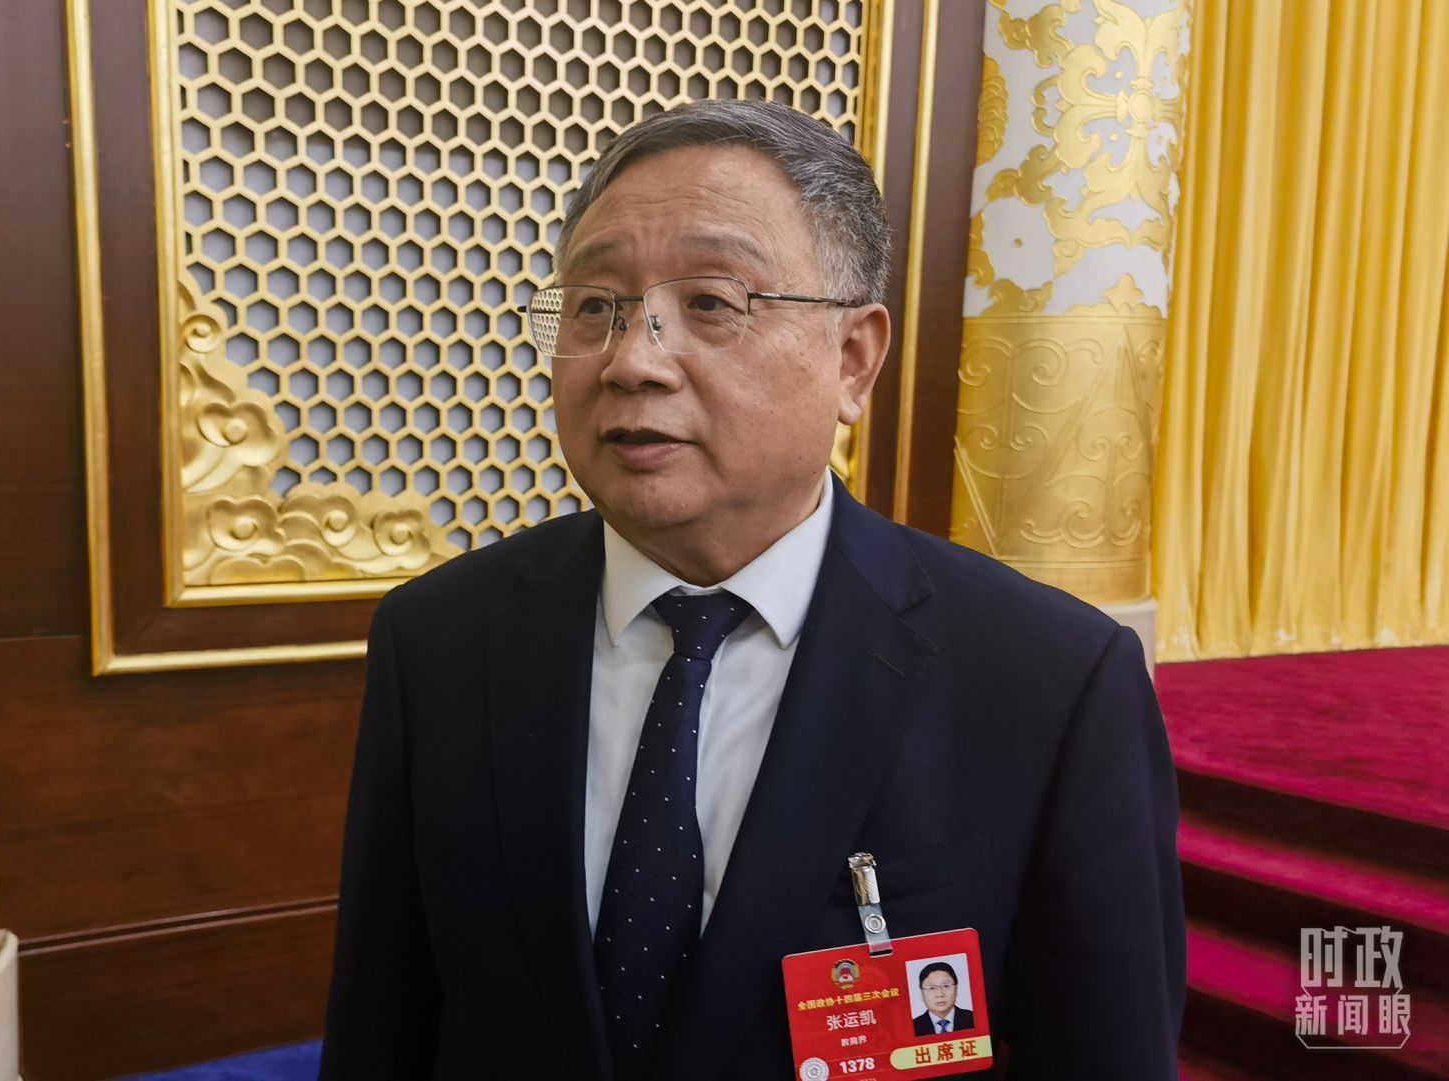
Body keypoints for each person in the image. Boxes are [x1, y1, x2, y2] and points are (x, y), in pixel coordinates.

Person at [319, 99, 1184, 1080]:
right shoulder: (439, 640)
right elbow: (384, 1022)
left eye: (712, 302)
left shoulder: (1051, 682)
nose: (633, 361)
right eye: (595, 307)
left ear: (852, 359)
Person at [913, 960, 975, 1036]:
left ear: (956, 989)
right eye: (932, 988)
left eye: (946, 986)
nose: (940, 994)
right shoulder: (913, 1027)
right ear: (922, 993)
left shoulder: (974, 1019)